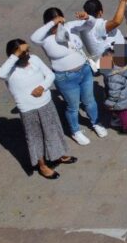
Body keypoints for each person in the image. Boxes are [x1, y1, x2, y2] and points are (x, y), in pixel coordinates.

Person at [0, 40, 75, 179]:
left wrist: (42, 87)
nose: (27, 54)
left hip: (46, 103)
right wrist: (16, 55)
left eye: (27, 50)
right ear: (13, 54)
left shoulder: (34, 59)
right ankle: (42, 166)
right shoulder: (9, 70)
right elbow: (0, 74)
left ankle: (58, 155)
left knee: (53, 131)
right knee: (35, 138)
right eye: (22, 52)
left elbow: (50, 75)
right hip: (28, 109)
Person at [30, 8, 106, 145]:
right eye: (55, 23)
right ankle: (75, 131)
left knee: (90, 100)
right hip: (65, 78)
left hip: (84, 71)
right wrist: (52, 23)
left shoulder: (70, 26)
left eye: (61, 21)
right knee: (73, 106)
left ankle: (96, 123)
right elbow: (33, 38)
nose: (59, 26)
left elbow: (91, 24)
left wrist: (87, 17)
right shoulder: (45, 38)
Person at [72, 0, 127, 133]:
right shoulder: (99, 25)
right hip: (114, 55)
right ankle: (119, 108)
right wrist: (123, 1)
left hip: (107, 55)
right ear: (100, 12)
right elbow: (117, 21)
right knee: (119, 81)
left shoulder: (86, 25)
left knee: (111, 82)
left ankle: (117, 105)